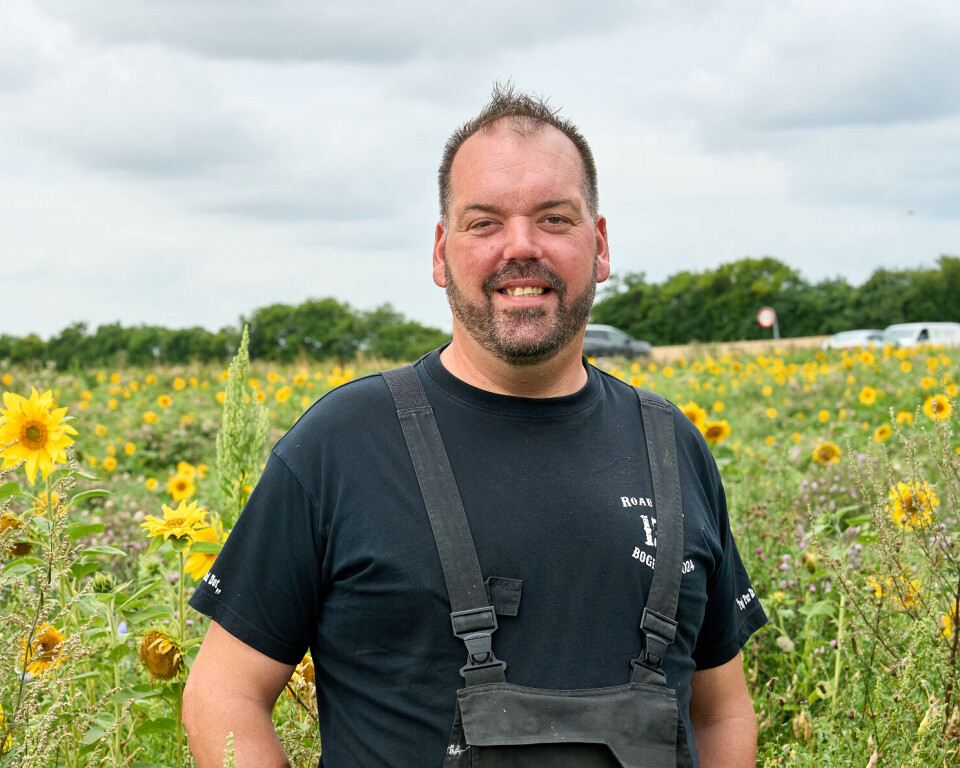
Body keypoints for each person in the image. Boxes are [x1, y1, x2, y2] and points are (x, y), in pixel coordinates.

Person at [183, 83, 767, 768]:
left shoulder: (673, 447)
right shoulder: (341, 445)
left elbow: (721, 710)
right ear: (441, 252)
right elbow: (223, 693)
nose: (520, 247)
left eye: (554, 218)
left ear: (600, 244)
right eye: (484, 222)